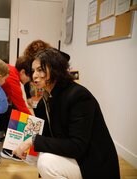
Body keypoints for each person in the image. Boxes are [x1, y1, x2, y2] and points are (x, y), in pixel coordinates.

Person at [13, 48, 120, 179]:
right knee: (35, 156)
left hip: (92, 162)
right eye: (33, 70)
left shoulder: (78, 96)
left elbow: (77, 146)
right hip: (74, 156)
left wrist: (33, 141)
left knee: (46, 162)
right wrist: (27, 146)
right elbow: (48, 138)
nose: (34, 75)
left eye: (40, 70)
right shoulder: (43, 102)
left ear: (55, 70)